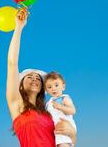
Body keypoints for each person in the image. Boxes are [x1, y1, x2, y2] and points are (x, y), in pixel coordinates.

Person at [6, 8, 76, 147]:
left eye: (38, 78)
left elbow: (65, 140)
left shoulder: (50, 112)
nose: (34, 79)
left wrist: (73, 134)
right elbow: (12, 64)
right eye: (29, 77)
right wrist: (19, 27)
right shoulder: (17, 106)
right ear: (20, 85)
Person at [44, 72, 77, 147]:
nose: (53, 88)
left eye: (56, 85)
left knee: (63, 144)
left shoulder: (64, 98)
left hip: (65, 127)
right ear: (46, 90)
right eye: (49, 87)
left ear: (63, 86)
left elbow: (73, 111)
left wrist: (61, 107)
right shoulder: (48, 103)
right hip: (57, 130)